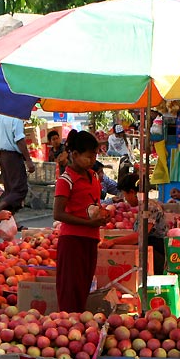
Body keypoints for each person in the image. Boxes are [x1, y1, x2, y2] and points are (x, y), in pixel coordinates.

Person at [53, 131, 108, 313]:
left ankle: (77, 321)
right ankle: (68, 322)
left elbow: (92, 204)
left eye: (95, 156)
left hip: (91, 239)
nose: (93, 160)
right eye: (89, 156)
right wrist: (87, 223)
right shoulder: (66, 180)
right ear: (75, 154)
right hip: (72, 241)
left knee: (84, 286)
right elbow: (58, 214)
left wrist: (103, 214)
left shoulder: (93, 176)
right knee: (70, 288)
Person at [100, 173, 168, 276]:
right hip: (150, 249)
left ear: (132, 192)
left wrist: (113, 241)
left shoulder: (149, 207)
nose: (125, 198)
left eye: (125, 194)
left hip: (156, 251)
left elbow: (139, 236)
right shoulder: (144, 206)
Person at [0, 114, 36, 213]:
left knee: (10, 190)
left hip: (3, 157)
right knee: (20, 190)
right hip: (13, 157)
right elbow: (20, 141)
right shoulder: (16, 119)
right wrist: (28, 160)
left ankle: (7, 217)